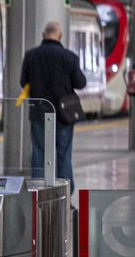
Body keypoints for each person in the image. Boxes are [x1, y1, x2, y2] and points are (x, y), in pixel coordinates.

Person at [21, 20, 87, 191]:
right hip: (63, 115)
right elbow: (80, 83)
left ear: (44, 35)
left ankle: (37, 192)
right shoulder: (70, 57)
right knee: (63, 155)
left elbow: (23, 82)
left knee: (39, 153)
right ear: (60, 36)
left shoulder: (31, 56)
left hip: (38, 114)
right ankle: (64, 193)